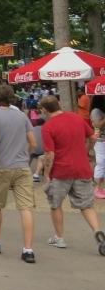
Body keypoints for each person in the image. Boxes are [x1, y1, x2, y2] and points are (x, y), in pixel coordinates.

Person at [38, 95, 105, 253]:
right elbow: (93, 138)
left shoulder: (48, 127)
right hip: (82, 168)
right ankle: (97, 231)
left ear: (44, 110)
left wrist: (47, 174)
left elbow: (49, 155)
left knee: (56, 204)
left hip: (61, 171)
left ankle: (59, 237)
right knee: (86, 204)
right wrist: (85, 150)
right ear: (59, 104)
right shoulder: (76, 118)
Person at [0, 85, 38, 263]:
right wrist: (26, 157)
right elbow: (33, 143)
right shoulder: (22, 116)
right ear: (12, 98)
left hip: (1, 166)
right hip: (21, 167)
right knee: (25, 207)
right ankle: (28, 250)